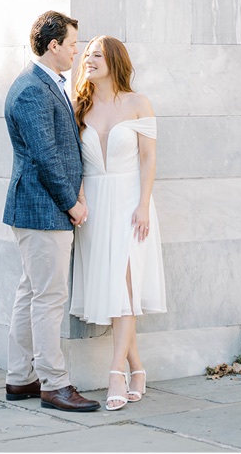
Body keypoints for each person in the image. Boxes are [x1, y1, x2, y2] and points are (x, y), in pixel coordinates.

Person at [1, 10, 99, 413]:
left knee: (32, 293)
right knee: (49, 298)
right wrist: (72, 203)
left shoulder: (49, 84)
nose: (77, 50)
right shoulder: (30, 89)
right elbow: (45, 157)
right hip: (42, 210)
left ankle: (20, 378)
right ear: (54, 45)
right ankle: (54, 385)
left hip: (41, 209)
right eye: (74, 44)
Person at [68, 35, 166, 410]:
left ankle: (116, 375)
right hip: (95, 206)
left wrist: (143, 204)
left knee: (125, 284)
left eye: (96, 55)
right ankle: (137, 368)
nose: (88, 60)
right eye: (86, 55)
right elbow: (72, 161)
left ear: (114, 61)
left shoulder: (139, 103)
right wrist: (77, 197)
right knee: (115, 290)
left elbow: (148, 159)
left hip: (130, 204)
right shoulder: (80, 105)